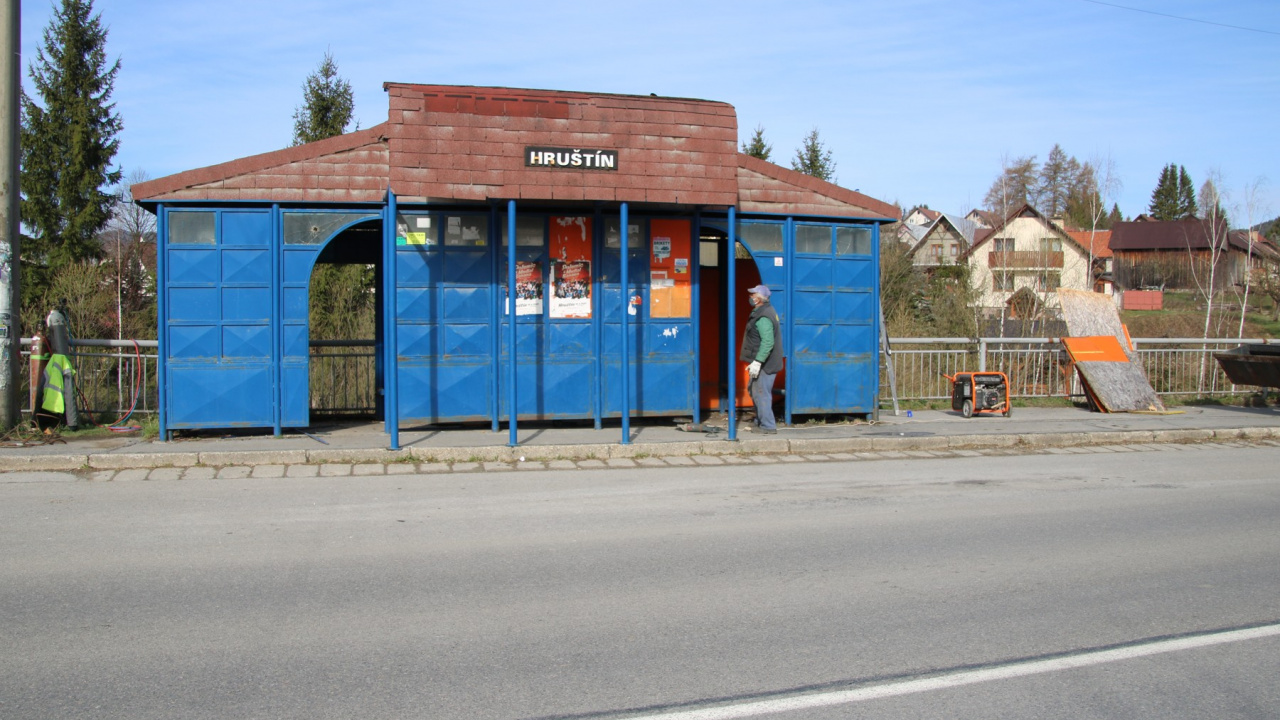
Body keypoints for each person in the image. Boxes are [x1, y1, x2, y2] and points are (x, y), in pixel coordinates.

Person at [739, 284, 783, 434]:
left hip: (765, 363)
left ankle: (768, 426)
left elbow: (768, 342)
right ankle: (760, 422)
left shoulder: (763, 316)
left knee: (761, 392)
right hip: (764, 362)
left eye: (753, 294)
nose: (750, 297)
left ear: (759, 299)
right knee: (754, 390)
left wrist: (758, 362)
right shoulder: (764, 312)